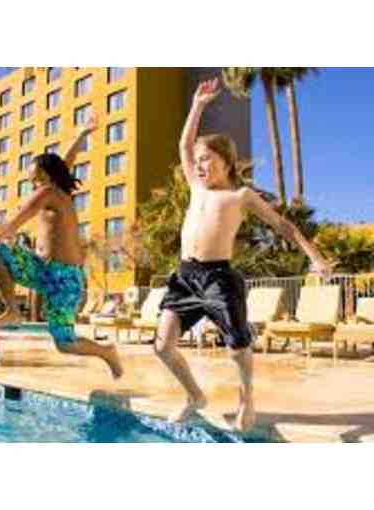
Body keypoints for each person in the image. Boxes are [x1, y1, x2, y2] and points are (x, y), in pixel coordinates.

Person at [154, 77, 334, 431]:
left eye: (207, 159)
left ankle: (246, 399)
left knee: (236, 347)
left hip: (218, 278)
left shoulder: (241, 196)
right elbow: (184, 144)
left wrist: (314, 256)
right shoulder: (195, 186)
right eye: (198, 161)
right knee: (162, 346)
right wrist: (197, 106)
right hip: (185, 276)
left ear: (226, 162)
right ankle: (194, 396)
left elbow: (283, 226)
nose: (199, 165)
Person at [0, 115, 123, 379]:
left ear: (47, 177)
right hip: (39, 268)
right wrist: (82, 135)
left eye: (35, 178)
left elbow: (22, 215)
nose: (33, 184)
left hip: (65, 278)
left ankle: (107, 352)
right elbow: (66, 161)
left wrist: (4, 229)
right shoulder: (55, 187)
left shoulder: (48, 192)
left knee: (65, 343)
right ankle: (12, 310)